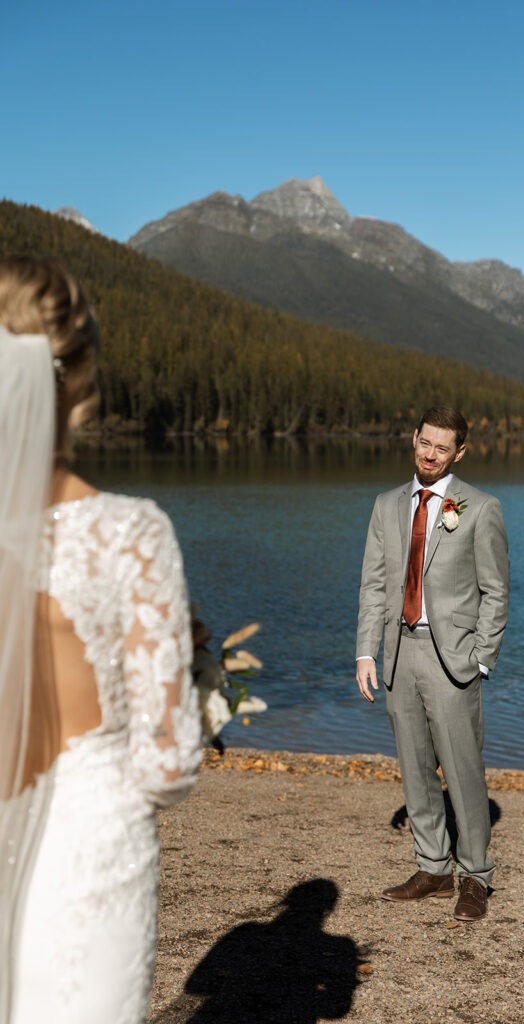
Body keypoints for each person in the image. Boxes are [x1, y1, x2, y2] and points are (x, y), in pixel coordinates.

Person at [0, 257, 202, 1024]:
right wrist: (199, 689)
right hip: (88, 853)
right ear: (77, 378)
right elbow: (167, 767)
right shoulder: (129, 535)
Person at [355, 405, 509, 921]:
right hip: (398, 653)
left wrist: (480, 659)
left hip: (453, 662)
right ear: (413, 438)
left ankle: (475, 877)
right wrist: (365, 651)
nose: (430, 454)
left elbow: (496, 591)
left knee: (463, 773)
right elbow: (374, 585)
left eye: (442, 448)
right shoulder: (386, 505)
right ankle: (433, 867)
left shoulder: (480, 508)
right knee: (416, 769)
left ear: (458, 452)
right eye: (425, 443)